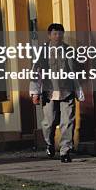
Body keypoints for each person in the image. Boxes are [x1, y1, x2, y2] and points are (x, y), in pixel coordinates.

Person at [30, 23, 84, 163]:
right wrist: (35, 92)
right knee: (49, 122)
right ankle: (49, 143)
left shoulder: (69, 50)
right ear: (49, 35)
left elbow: (76, 71)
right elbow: (36, 72)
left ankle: (65, 151)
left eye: (60, 33)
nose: (57, 36)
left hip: (67, 91)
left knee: (68, 121)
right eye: (54, 33)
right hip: (49, 92)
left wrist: (78, 89)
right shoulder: (42, 51)